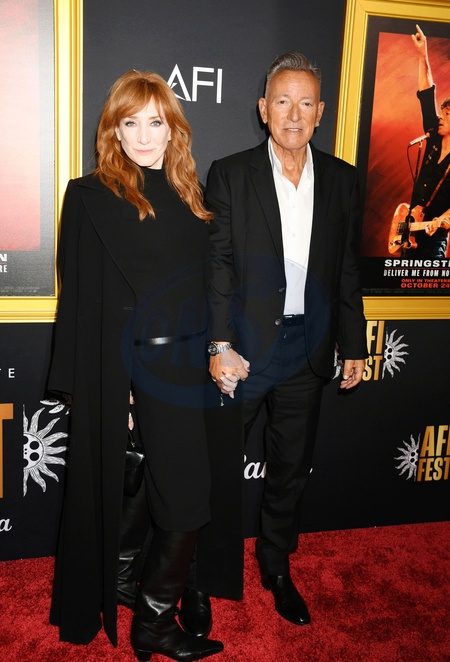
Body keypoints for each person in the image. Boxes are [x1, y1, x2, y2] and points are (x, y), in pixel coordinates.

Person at [48, 70, 231, 662]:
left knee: (185, 492)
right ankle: (151, 620)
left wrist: (219, 349)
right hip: (130, 369)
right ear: (115, 131)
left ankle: (144, 596)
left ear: (173, 128)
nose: (145, 136)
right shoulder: (89, 195)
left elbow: (204, 287)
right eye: (132, 123)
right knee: (180, 491)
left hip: (187, 367)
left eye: (156, 122)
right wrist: (103, 386)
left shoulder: (190, 194)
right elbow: (78, 298)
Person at [205, 52, 368, 627]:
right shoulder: (229, 174)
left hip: (309, 348)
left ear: (321, 112)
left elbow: (347, 268)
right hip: (243, 351)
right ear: (262, 109)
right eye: (282, 101)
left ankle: (275, 564)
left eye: (305, 103)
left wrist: (354, 342)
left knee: (290, 468)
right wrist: (219, 344)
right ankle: (204, 574)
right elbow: (218, 266)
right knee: (217, 466)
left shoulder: (343, 179)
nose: (293, 115)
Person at [408, 24, 450, 258]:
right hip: (410, 231)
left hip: (435, 238)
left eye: (447, 114)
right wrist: (422, 54)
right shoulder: (433, 137)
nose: (440, 117)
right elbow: (426, 93)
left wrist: (442, 219)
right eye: (442, 112)